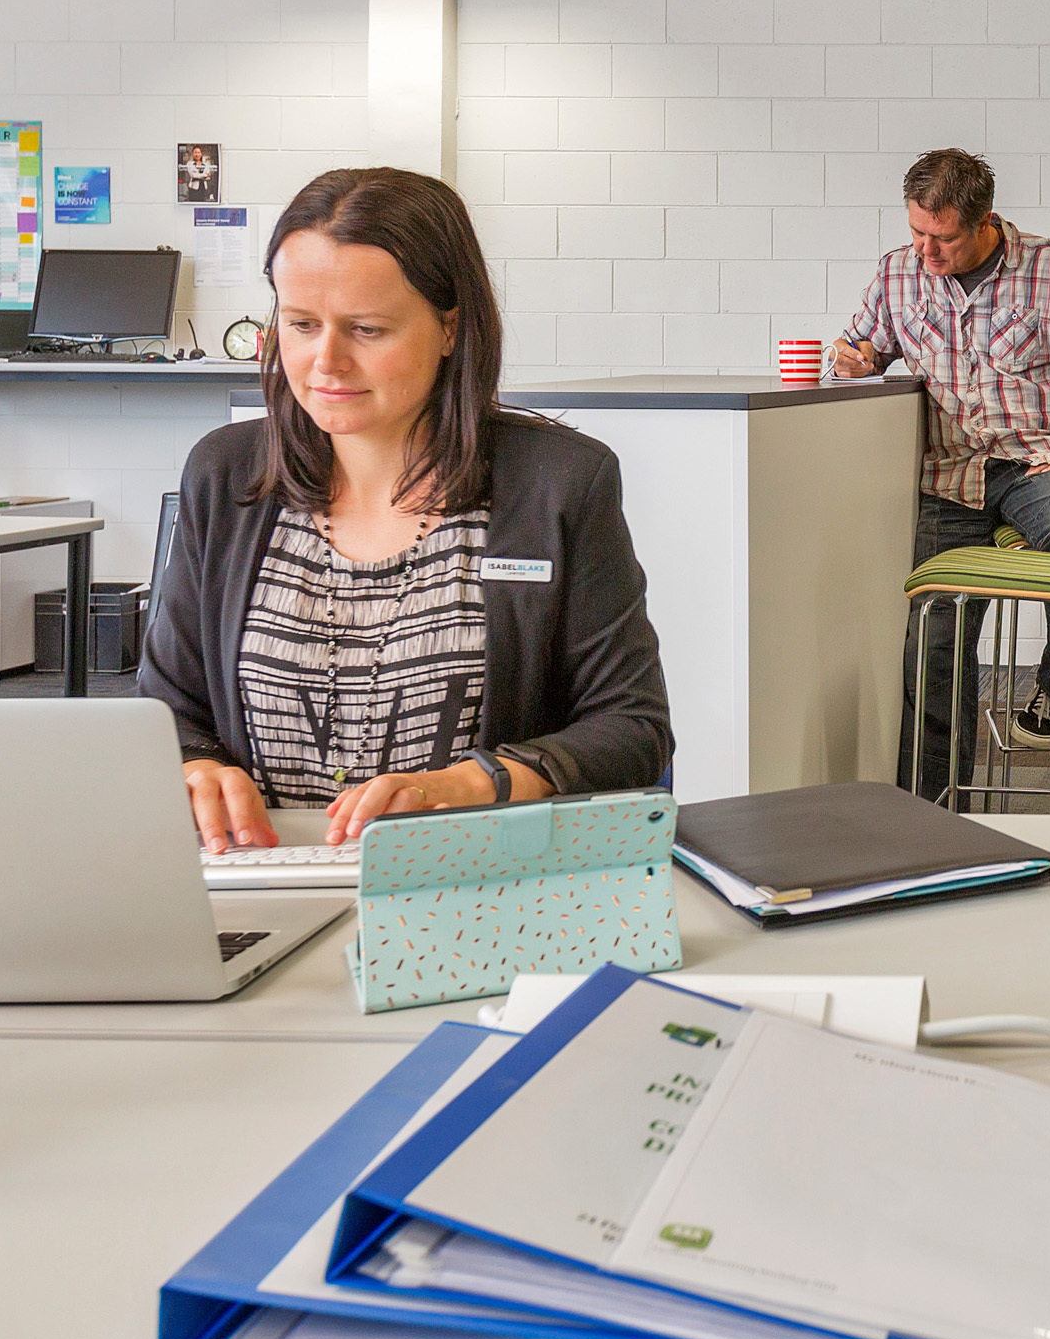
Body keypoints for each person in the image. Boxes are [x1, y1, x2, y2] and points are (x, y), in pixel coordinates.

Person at [142, 167, 672, 849]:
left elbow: (632, 728)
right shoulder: (226, 474)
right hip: (260, 874)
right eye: (301, 325)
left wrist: (471, 785)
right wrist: (196, 766)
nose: (325, 361)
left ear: (450, 329)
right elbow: (168, 709)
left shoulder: (558, 484)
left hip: (472, 882)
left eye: (367, 329)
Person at [831, 148, 1050, 800]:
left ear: (983, 223)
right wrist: (858, 358)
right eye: (916, 234)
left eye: (944, 238)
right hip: (947, 475)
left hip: (1040, 462)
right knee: (933, 650)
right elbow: (865, 346)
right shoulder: (899, 274)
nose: (926, 252)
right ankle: (931, 805)